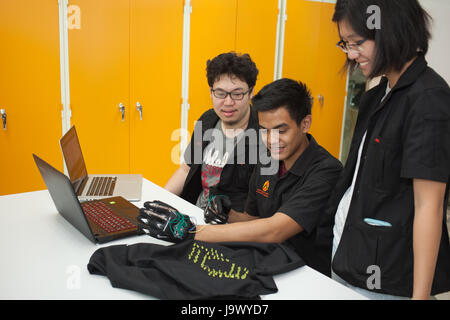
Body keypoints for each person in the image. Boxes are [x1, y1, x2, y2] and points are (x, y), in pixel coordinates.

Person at [140, 79, 343, 276]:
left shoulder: (326, 171)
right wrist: (225, 213)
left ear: (305, 123)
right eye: (265, 131)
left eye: (281, 131)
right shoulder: (267, 159)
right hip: (263, 259)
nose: (272, 140)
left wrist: (191, 231)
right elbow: (253, 218)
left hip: (304, 275)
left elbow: (274, 230)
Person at [327, 0, 450, 299]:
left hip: (387, 273)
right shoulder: (379, 93)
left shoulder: (428, 100)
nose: (351, 55)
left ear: (391, 30)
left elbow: (429, 207)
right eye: (345, 44)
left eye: (357, 43)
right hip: (347, 254)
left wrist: (419, 297)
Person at [164, 52, 260, 213]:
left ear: (251, 92)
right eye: (221, 93)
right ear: (211, 92)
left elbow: (261, 205)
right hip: (196, 213)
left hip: (233, 224)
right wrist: (161, 202)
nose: (228, 102)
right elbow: (185, 169)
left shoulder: (263, 132)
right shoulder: (208, 120)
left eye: (237, 94)